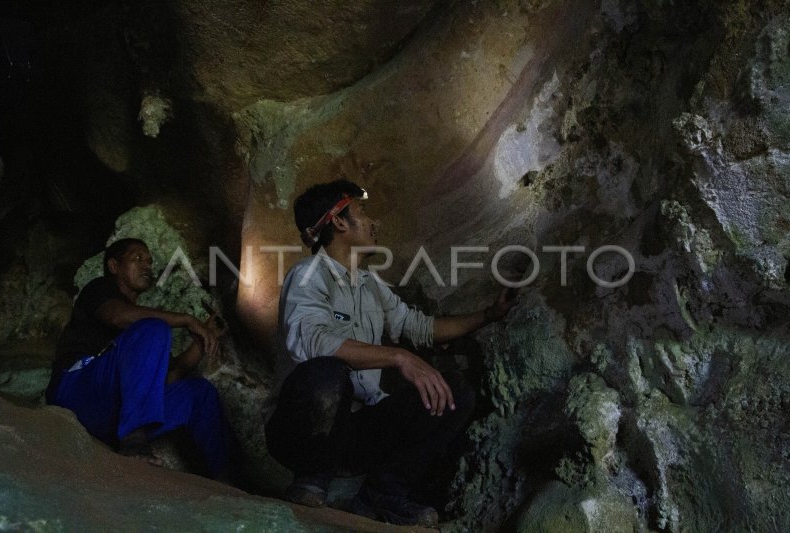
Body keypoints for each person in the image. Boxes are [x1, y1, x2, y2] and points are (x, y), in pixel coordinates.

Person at [262, 180, 517, 527]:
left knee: (453, 393)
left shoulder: (370, 286)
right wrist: (398, 357)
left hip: (355, 434)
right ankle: (311, 479)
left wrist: (488, 315)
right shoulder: (307, 275)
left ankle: (380, 495)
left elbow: (419, 327)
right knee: (327, 372)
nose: (373, 222)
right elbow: (311, 342)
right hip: (302, 432)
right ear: (338, 222)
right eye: (362, 212)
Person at [45, 238, 235, 480]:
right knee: (154, 328)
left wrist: (204, 338)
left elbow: (170, 377)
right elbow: (117, 316)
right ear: (114, 266)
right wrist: (187, 320)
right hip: (78, 392)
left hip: (115, 415)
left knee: (199, 393)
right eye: (137, 259)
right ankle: (134, 441)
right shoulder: (99, 290)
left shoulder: (145, 330)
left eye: (149, 261)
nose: (147, 266)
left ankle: (227, 481)